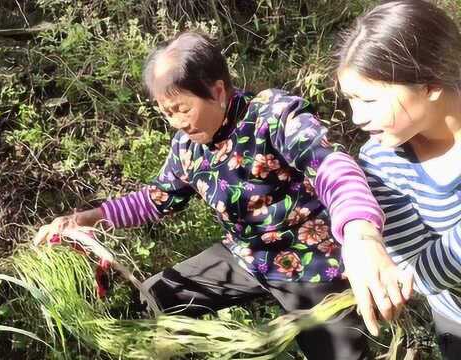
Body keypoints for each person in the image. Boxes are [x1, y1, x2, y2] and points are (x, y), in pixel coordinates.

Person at [36, 31, 410, 359]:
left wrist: (362, 235)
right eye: (167, 113)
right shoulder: (188, 146)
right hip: (246, 256)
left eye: (182, 108)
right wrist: (90, 218)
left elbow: (332, 166)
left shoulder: (274, 117)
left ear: (217, 90)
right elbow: (156, 198)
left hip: (310, 265)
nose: (178, 122)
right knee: (155, 300)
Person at [336, 0, 461, 357]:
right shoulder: (381, 161)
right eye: (350, 100)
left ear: (431, 84)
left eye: (370, 100)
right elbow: (410, 264)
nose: (357, 117)